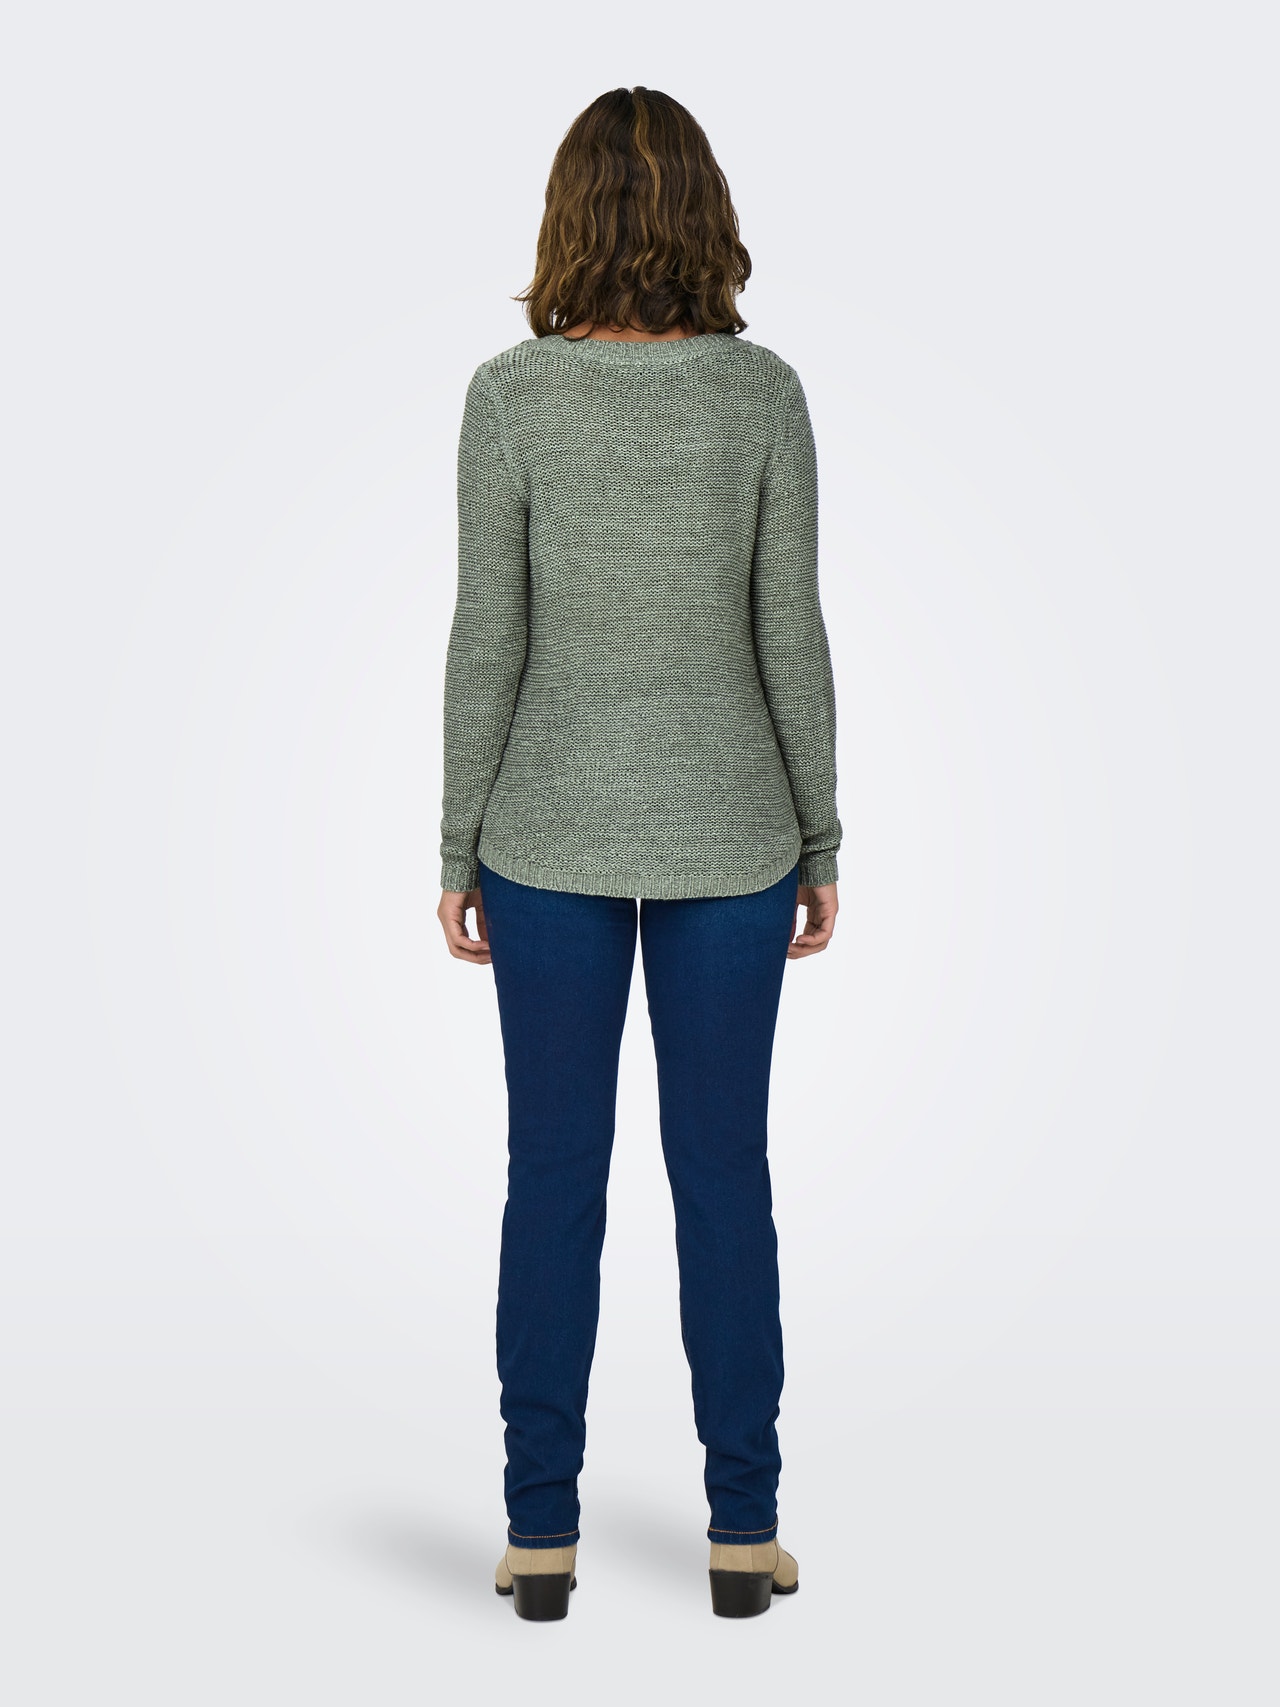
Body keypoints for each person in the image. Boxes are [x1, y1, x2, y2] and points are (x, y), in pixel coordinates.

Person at [437, 86, 841, 1621]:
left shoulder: (511, 399)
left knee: (552, 1178)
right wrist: (819, 833)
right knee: (723, 1175)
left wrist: (458, 843)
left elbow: (490, 638)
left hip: (542, 838)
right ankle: (744, 1531)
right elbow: (789, 633)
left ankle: (541, 1537)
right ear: (703, 218)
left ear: (569, 219)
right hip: (734, 838)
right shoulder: (763, 395)